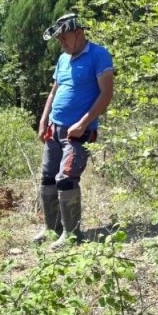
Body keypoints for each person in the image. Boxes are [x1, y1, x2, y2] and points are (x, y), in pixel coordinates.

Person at [33, 13, 114, 249]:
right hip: (54, 129)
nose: (62, 43)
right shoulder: (63, 59)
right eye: (59, 40)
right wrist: (43, 119)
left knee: (67, 179)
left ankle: (72, 234)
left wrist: (84, 123)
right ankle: (52, 229)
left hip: (79, 132)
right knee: (48, 178)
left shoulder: (99, 55)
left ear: (79, 33)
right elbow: (54, 91)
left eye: (64, 38)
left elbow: (106, 94)